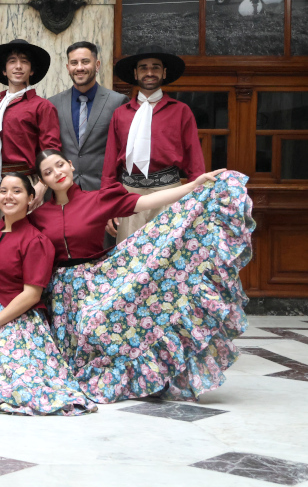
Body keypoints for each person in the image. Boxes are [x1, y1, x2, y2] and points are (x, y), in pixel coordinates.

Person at [32, 149, 255, 402]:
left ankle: (148, 376)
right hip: (59, 292)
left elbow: (148, 202)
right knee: (73, 358)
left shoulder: (98, 199)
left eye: (60, 165)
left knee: (112, 321)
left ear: (71, 165)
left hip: (97, 280)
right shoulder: (38, 215)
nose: (57, 173)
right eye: (48, 172)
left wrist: (193, 185)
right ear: (43, 181)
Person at [0, 173, 95, 416]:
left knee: (17, 373)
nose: (8, 196)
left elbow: (32, 293)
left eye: (16, 191)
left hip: (18, 316)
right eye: (3, 191)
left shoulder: (36, 240)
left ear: (30, 198)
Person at [103, 45, 205, 242]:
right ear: (135, 73)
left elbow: (195, 162)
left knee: (167, 260)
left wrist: (196, 201)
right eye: (143, 68)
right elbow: (109, 165)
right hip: (129, 196)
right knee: (130, 261)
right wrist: (108, 205)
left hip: (169, 193)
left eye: (155, 67)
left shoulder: (181, 111)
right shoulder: (120, 114)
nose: (149, 73)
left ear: (164, 72)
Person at [0, 39, 61, 209]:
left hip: (27, 181)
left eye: (24, 62)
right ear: (4, 70)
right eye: (12, 61)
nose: (18, 66)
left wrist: (42, 185)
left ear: (32, 70)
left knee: (27, 233)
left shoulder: (42, 106)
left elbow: (51, 150)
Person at [48, 42, 127, 191]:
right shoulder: (53, 104)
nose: (79, 68)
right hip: (64, 191)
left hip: (102, 192)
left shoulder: (117, 102)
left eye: (85, 62)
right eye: (74, 63)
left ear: (97, 65)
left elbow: (123, 152)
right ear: (67, 68)